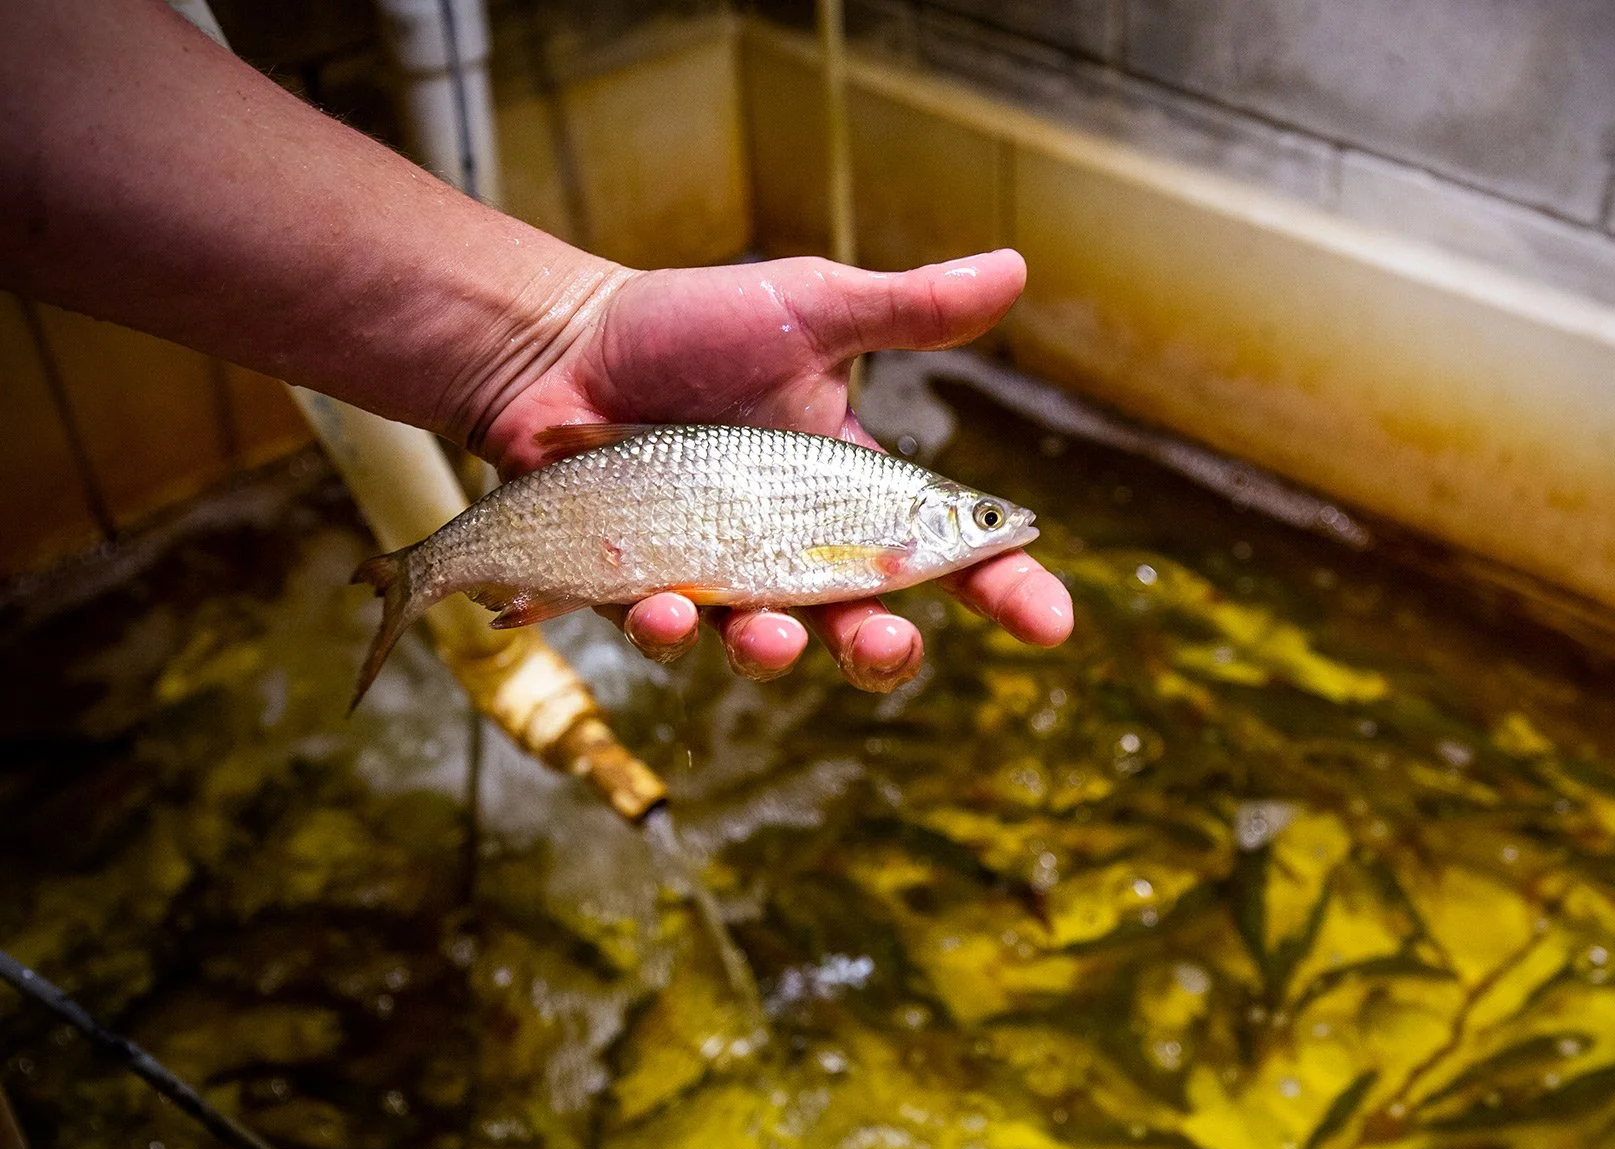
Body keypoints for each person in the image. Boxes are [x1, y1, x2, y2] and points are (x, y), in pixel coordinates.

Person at [0, 0, 1073, 692]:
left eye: (981, 518)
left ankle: (423, 572)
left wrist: (549, 336)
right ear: (920, 514)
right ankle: (421, 572)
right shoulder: (886, 517)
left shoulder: (873, 511)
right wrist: (558, 337)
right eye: (976, 519)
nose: (992, 528)